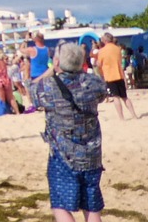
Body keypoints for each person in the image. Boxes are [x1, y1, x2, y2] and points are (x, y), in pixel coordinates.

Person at [30, 42, 108, 222]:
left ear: (57, 61)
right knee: (92, 207)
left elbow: (32, 90)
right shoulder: (93, 82)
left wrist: (52, 69)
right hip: (92, 154)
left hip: (63, 155)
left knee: (61, 206)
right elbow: (102, 94)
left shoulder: (49, 86)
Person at [96, 33, 137, 120]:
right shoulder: (117, 49)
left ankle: (121, 117)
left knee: (116, 97)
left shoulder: (102, 51)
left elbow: (99, 64)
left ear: (105, 40)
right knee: (125, 97)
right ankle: (134, 115)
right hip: (119, 74)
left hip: (109, 75)